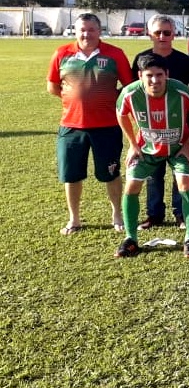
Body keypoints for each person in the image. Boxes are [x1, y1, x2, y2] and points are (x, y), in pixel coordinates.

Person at [47, 13, 134, 235]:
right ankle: (74, 219)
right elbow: (53, 86)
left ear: (100, 30)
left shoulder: (115, 54)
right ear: (75, 31)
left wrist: (103, 101)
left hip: (107, 126)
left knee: (110, 173)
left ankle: (117, 214)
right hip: (71, 126)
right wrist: (74, 100)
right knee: (71, 174)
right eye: (82, 30)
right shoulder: (62, 53)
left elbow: (129, 88)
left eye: (91, 29)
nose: (86, 34)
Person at [114, 54, 189, 258]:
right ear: (140, 76)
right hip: (146, 149)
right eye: (149, 75)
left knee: (185, 184)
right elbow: (121, 114)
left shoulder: (181, 90)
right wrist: (133, 145)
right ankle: (131, 239)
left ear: (167, 74)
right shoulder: (129, 93)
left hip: (178, 147)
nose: (155, 80)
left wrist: (188, 144)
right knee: (131, 185)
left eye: (159, 75)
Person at [131, 14, 189, 231]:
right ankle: (154, 214)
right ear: (149, 33)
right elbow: (135, 96)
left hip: (179, 130)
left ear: (174, 34)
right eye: (157, 32)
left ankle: (180, 214)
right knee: (153, 174)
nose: (162, 36)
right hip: (151, 130)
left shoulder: (184, 61)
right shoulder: (141, 59)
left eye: (167, 32)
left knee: (181, 174)